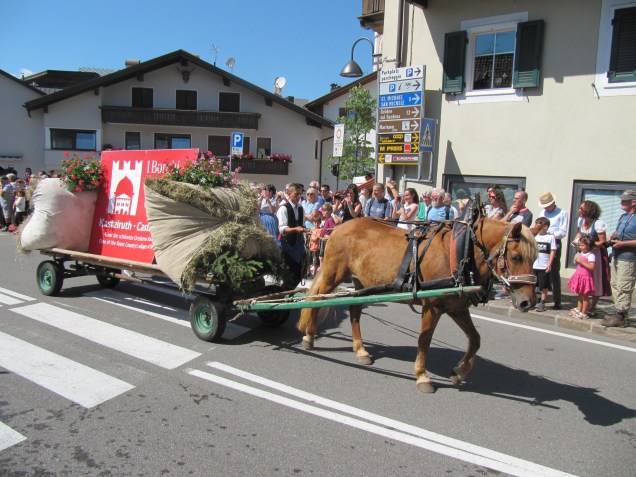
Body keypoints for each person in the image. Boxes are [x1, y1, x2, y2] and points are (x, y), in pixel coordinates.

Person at [602, 190, 636, 327]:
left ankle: (621, 316)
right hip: (617, 255)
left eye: (625, 200)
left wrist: (623, 244)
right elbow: (620, 232)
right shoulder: (623, 217)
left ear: (633, 202)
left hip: (629, 258)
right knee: (615, 284)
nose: (621, 202)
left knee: (624, 286)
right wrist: (614, 235)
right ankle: (619, 312)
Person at [572, 200, 611, 316]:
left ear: (588, 210)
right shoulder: (581, 221)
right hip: (584, 252)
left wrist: (589, 246)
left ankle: (592, 306)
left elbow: (602, 241)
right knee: (583, 277)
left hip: (596, 254)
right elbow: (580, 233)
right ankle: (582, 305)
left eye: (581, 208)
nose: (579, 210)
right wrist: (576, 241)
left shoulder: (598, 223)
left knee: (596, 279)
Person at [538, 192, 569, 310]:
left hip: (554, 242)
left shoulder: (562, 213)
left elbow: (562, 232)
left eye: (547, 205)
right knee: (539, 269)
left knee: (554, 272)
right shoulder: (542, 213)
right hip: (542, 242)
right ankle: (540, 297)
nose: (546, 208)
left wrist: (549, 234)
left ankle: (557, 300)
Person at [276, 183, 306, 288]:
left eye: (300, 194)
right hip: (287, 246)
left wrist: (307, 230)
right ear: (289, 194)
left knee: (299, 274)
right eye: (296, 194)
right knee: (289, 274)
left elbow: (302, 225)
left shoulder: (301, 208)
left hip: (298, 246)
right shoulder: (283, 209)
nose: (298, 197)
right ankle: (284, 292)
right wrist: (295, 229)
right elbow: (282, 229)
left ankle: (288, 291)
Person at [567, 235, 596, 319]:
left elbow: (592, 267)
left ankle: (584, 312)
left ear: (588, 245)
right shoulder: (582, 253)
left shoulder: (591, 255)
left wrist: (581, 262)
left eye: (582, 245)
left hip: (585, 277)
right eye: (580, 245)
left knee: (585, 296)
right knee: (580, 295)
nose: (580, 247)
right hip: (579, 276)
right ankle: (579, 309)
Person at [532, 217, 557, 312]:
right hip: (534, 265)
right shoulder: (534, 236)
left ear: (545, 226)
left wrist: (549, 264)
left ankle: (542, 302)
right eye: (536, 223)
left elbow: (552, 251)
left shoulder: (550, 237)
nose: (536, 226)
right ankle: (533, 300)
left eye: (539, 224)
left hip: (543, 265)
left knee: (544, 285)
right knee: (533, 284)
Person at [318, 203, 336, 271]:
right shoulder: (327, 219)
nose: (323, 212)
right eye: (323, 210)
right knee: (321, 257)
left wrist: (329, 236)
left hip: (325, 241)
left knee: (322, 257)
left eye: (325, 210)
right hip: (322, 240)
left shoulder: (330, 219)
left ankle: (322, 271)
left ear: (330, 211)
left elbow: (334, 229)